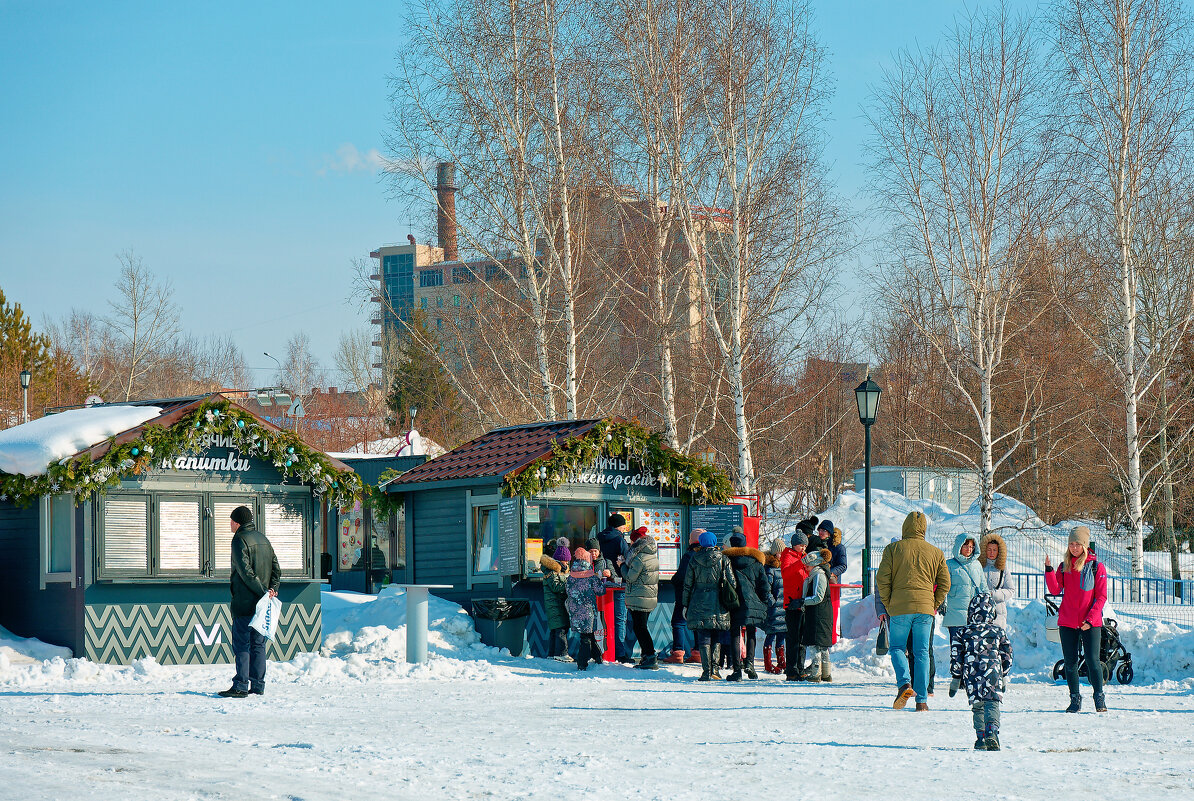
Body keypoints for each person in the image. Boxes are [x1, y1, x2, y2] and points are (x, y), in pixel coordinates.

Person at [876, 510, 950, 710]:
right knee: (922, 652)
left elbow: (882, 579)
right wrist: (933, 603)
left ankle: (904, 683)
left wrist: (889, 603)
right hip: (925, 609)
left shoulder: (893, 549)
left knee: (898, 648)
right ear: (924, 529)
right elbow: (945, 582)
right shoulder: (936, 552)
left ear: (905, 527)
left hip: (899, 607)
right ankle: (922, 701)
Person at [1045, 526, 1108, 713]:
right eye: (1071, 544)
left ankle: (1099, 697)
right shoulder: (1064, 566)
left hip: (1091, 623)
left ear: (1085, 545)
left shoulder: (1096, 567)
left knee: (1092, 661)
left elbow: (1101, 597)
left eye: (1077, 544)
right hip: (1067, 622)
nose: (1074, 548)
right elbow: (1055, 590)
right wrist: (1049, 570)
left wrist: (1090, 619)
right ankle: (1074, 699)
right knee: (1070, 663)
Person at [219, 505, 280, 699]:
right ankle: (258, 685)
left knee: (242, 644)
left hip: (245, 602)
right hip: (263, 604)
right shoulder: (263, 539)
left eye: (231, 521)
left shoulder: (239, 540)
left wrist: (263, 592)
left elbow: (245, 573)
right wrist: (271, 590)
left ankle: (241, 685)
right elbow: (276, 569)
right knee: (258, 644)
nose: (230, 524)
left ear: (237, 522)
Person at [950, 593, 1013, 751]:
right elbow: (1007, 653)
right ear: (992, 612)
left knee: (978, 706)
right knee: (992, 704)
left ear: (971, 612)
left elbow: (956, 656)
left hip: (972, 676)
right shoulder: (998, 631)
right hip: (993, 674)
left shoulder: (963, 632)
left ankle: (981, 737)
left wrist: (956, 677)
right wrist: (1004, 673)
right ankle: (992, 730)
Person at [682, 530, 737, 681]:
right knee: (717, 635)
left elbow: (687, 584)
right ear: (714, 543)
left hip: (699, 600)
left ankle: (706, 671)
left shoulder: (694, 559)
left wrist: (685, 604)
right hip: (719, 601)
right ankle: (716, 670)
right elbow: (732, 582)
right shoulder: (723, 559)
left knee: (704, 636)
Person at [943, 533, 988, 697]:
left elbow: (983, 586)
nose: (968, 549)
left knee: (972, 648)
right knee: (956, 648)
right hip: (955, 613)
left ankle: (968, 677)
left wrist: (989, 604)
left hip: (974, 615)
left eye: (971, 546)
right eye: (966, 546)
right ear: (958, 546)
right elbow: (943, 586)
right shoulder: (949, 565)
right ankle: (957, 676)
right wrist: (942, 602)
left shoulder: (976, 565)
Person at [723, 530, 770, 680]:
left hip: (733, 603)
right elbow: (764, 585)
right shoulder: (756, 562)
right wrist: (765, 601)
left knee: (735, 634)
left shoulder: (726, 561)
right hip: (753, 603)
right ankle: (750, 664)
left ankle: (737, 670)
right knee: (751, 632)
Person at [792, 545, 835, 682]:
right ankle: (826, 674)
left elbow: (818, 596)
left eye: (808, 566)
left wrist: (802, 601)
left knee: (815, 644)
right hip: (821, 613)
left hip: (818, 614)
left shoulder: (818, 575)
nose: (806, 568)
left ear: (814, 564)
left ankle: (816, 673)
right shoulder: (818, 574)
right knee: (822, 645)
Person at [596, 513, 634, 663]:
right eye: (624, 525)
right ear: (620, 526)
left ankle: (603, 650)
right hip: (620, 584)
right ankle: (620, 653)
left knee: (603, 618)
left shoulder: (599, 538)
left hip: (603, 583)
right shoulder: (620, 540)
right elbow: (628, 560)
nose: (625, 527)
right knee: (620, 619)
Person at [566, 546, 608, 671]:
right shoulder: (591, 577)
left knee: (588, 635)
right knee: (586, 637)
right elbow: (601, 591)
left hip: (574, 609)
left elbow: (567, 590)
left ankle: (598, 658)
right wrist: (601, 580)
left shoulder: (571, 576)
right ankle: (582, 663)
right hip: (588, 610)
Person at [624, 526, 660, 669]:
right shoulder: (652, 555)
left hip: (639, 596)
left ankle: (650, 656)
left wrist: (622, 566)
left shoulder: (639, 558)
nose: (631, 544)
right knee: (641, 627)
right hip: (648, 596)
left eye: (632, 542)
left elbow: (630, 577)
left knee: (640, 628)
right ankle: (647, 656)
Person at [664, 529, 702, 664]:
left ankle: (678, 652)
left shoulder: (689, 555)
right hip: (701, 595)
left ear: (692, 540)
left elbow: (681, 576)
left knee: (678, 622)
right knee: (698, 623)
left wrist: (673, 581)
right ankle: (698, 652)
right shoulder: (705, 555)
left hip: (685, 595)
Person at [780, 529, 810, 680]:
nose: (804, 548)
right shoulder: (788, 555)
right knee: (793, 638)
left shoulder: (803, 557)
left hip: (803, 602)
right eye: (801, 545)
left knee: (802, 638)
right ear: (794, 545)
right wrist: (800, 563)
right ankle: (791, 670)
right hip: (792, 603)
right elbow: (785, 573)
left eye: (805, 545)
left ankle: (800, 667)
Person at [540, 544, 573, 661]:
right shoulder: (551, 571)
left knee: (556, 629)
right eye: (565, 561)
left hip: (558, 605)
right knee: (561, 629)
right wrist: (570, 582)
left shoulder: (559, 571)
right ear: (559, 560)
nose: (567, 564)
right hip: (554, 606)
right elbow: (556, 587)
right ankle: (562, 653)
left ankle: (552, 654)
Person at [979, 533, 1015, 630]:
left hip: (998, 613)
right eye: (989, 549)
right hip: (980, 611)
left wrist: (993, 594)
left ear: (999, 551)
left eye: (994, 550)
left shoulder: (1003, 569)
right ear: (984, 550)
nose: (992, 552)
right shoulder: (978, 567)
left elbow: (1010, 590)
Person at [762, 539, 786, 674]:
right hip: (774, 607)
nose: (782, 555)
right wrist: (771, 601)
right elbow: (767, 588)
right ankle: (768, 663)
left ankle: (781, 661)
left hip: (783, 607)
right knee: (771, 634)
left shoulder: (784, 566)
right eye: (780, 553)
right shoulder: (770, 569)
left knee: (782, 634)